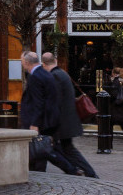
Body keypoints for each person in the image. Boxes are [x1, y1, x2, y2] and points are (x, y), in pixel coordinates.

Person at [41, 52, 98, 180]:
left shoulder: (55, 76)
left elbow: (54, 101)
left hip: (62, 122)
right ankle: (75, 171)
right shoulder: (62, 73)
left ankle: (88, 173)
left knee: (66, 150)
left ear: (44, 64)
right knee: (63, 149)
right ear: (55, 60)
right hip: (67, 120)